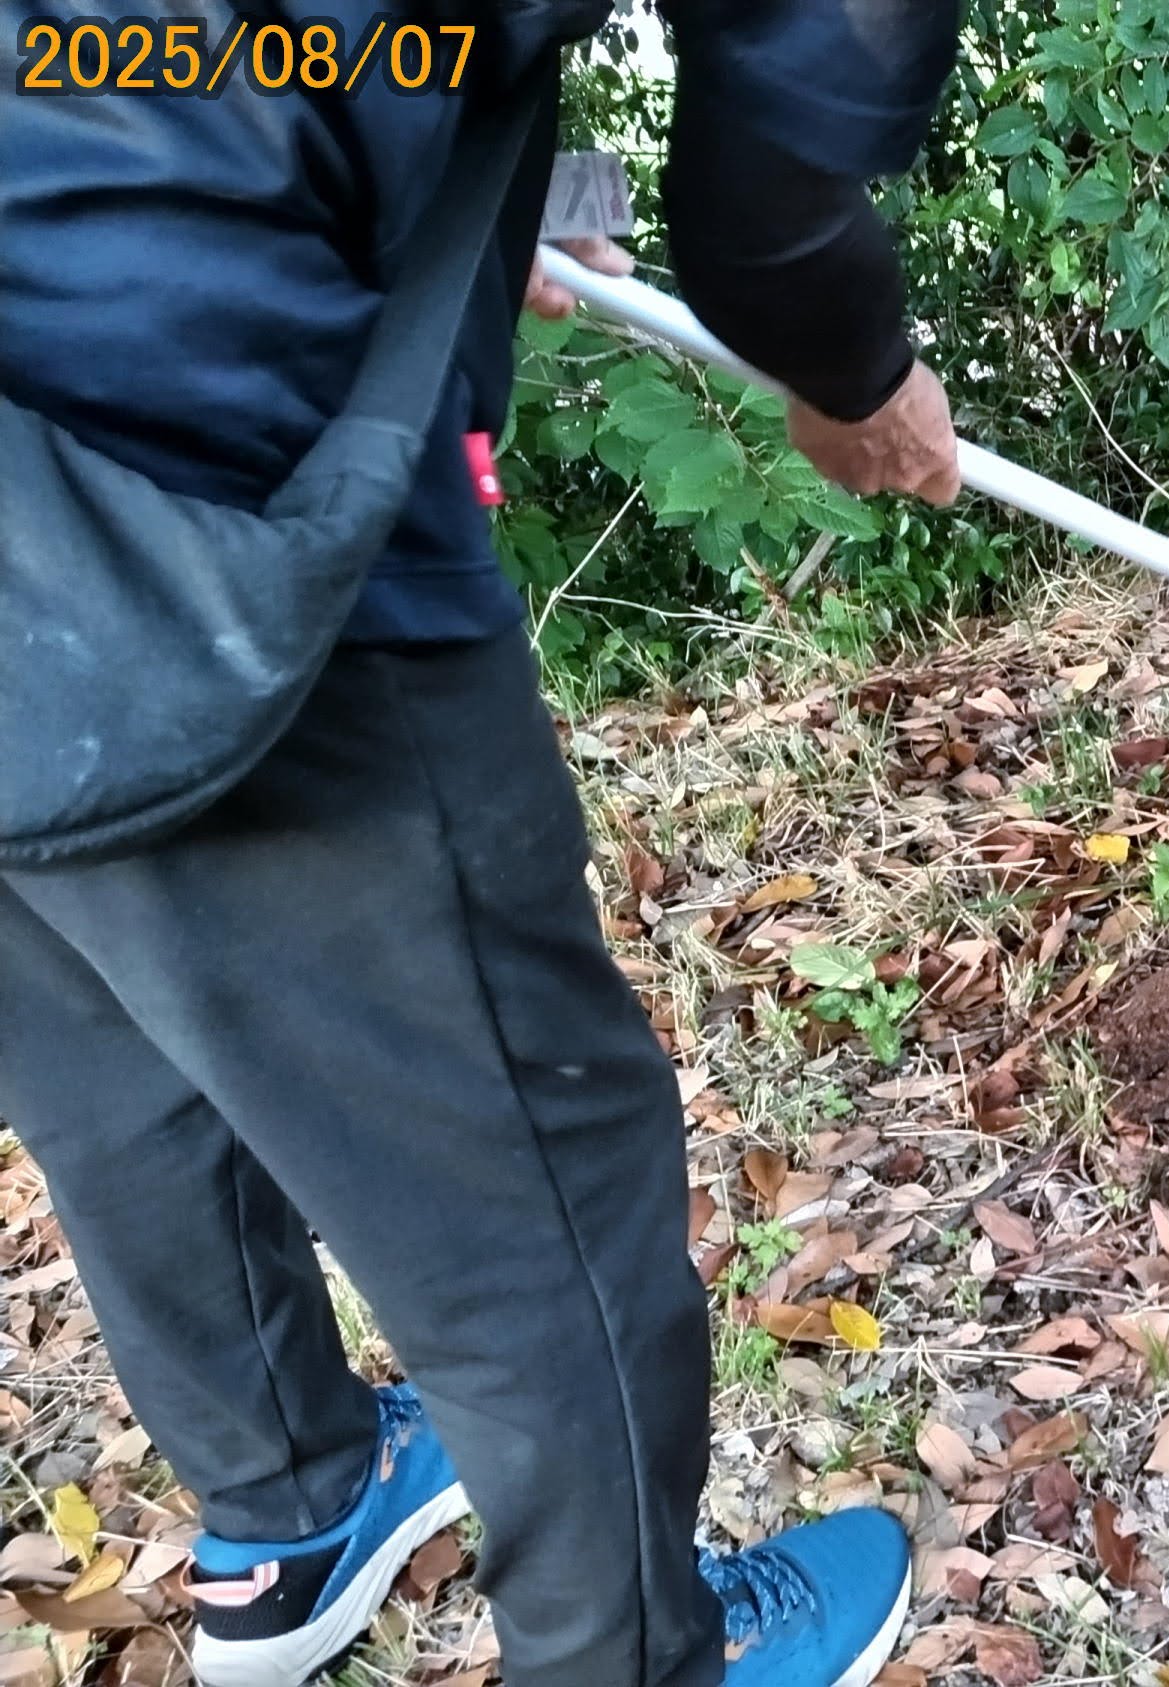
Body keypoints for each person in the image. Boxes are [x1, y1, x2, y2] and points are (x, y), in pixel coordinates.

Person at [0, 3, 962, 1685]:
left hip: (39, 506)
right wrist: (857, 373)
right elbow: (779, 197)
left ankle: (297, 1507)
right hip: (224, 498)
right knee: (540, 1187)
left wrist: (486, 195)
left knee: (112, 1053)